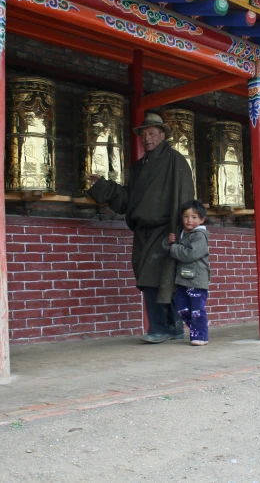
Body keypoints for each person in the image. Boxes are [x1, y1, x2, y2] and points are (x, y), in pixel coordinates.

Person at [87, 113, 194, 344]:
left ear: (163, 135)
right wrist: (103, 186)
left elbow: (184, 197)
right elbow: (128, 200)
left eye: (152, 133)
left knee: (157, 278)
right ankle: (173, 327)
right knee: (154, 279)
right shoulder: (138, 168)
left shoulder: (176, 161)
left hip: (167, 230)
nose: (147, 138)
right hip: (143, 232)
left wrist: (182, 231)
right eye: (144, 134)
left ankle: (160, 328)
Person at [163, 200, 211, 346]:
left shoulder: (200, 236)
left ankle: (201, 337)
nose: (189, 220)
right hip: (183, 279)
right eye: (186, 216)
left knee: (196, 310)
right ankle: (200, 327)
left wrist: (173, 248)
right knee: (181, 308)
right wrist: (168, 243)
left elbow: (189, 254)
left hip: (197, 280)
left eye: (194, 217)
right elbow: (173, 248)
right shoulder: (183, 234)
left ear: (202, 219)